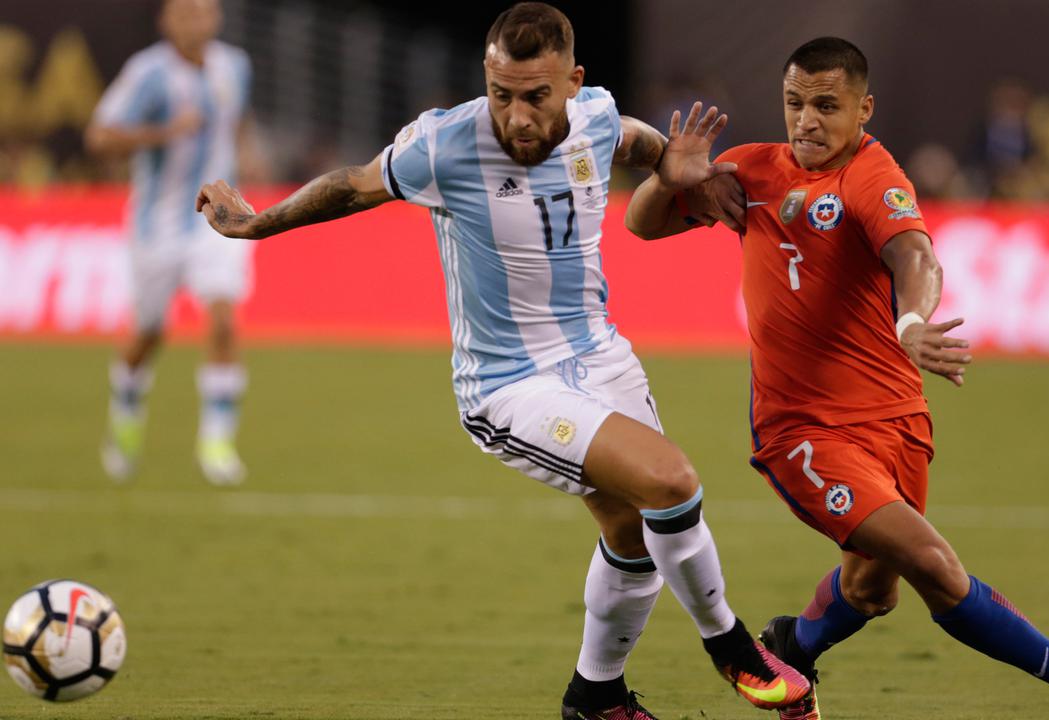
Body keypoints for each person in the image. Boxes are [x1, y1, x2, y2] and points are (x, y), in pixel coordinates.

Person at [193, 4, 809, 719]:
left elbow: (634, 141)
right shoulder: (443, 145)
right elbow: (354, 184)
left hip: (603, 358)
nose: (516, 116)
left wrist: (670, 166)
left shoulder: (596, 118)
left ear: (572, 84)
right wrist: (256, 222)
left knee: (631, 531)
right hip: (509, 387)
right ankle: (733, 649)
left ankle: (595, 696)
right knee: (670, 481)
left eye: (536, 97)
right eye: (502, 95)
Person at [625, 37, 1049, 720]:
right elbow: (643, 226)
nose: (807, 121)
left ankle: (791, 646)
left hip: (895, 420)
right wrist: (669, 179)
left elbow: (915, 255)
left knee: (873, 589)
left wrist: (911, 323)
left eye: (827, 105)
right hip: (805, 431)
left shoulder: (872, 176)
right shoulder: (748, 172)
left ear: (863, 109)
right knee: (935, 567)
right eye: (795, 104)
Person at [86, 0, 258, 486]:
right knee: (148, 334)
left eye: (203, 12)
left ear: (216, 18)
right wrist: (163, 132)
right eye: (184, 13)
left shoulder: (234, 66)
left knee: (223, 321)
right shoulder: (147, 73)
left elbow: (236, 119)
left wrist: (247, 154)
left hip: (218, 221)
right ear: (166, 21)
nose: (194, 22)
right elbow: (99, 137)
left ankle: (218, 443)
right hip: (156, 226)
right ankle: (126, 404)